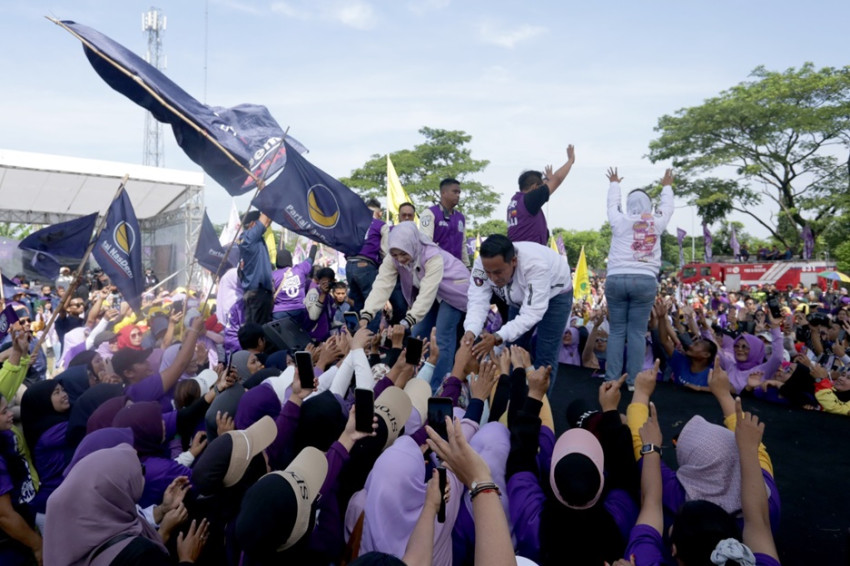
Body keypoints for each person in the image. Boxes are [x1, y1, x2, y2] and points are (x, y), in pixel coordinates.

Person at [359, 222, 469, 389]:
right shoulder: (393, 257)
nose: (400, 259)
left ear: (412, 245)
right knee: (417, 334)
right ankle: (411, 378)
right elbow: (382, 285)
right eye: (395, 255)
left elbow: (426, 294)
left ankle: (438, 388)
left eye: (403, 254)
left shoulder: (432, 255)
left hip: (454, 288)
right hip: (430, 291)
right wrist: (367, 314)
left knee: (441, 337)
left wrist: (407, 321)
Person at [464, 234, 572, 389]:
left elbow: (532, 313)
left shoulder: (535, 265)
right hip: (518, 296)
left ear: (514, 261)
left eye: (498, 272)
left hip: (557, 294)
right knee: (512, 350)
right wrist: (471, 330)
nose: (493, 278)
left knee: (545, 355)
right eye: (488, 272)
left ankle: (538, 408)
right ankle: (511, 399)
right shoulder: (481, 264)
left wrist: (497, 337)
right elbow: (477, 300)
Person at [604, 167, 674, 389]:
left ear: (628, 204)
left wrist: (614, 184)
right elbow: (668, 208)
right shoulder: (657, 222)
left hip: (616, 277)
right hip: (644, 280)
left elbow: (611, 205)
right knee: (636, 332)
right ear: (648, 206)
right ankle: (634, 382)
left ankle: (611, 380)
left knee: (616, 331)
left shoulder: (619, 220)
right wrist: (667, 187)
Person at [507, 145, 575, 245]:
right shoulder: (530, 200)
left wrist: (547, 179)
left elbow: (547, 183)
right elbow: (558, 179)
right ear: (534, 187)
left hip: (516, 251)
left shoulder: (515, 201)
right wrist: (570, 160)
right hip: (530, 252)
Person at [345, 198, 389, 331]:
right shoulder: (381, 225)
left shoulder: (353, 225)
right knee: (373, 306)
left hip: (349, 266)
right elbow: (385, 252)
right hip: (366, 265)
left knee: (358, 306)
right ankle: (369, 342)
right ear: (379, 213)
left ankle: (355, 339)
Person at [419, 178, 468, 264]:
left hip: (457, 268)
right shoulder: (430, 213)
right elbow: (426, 243)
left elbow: (463, 245)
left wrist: (467, 266)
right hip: (437, 267)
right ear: (443, 193)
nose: (458, 195)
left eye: (459, 192)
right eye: (455, 192)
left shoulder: (461, 217)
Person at [237, 210, 274, 325]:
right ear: (253, 224)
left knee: (257, 331)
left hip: (256, 294)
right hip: (258, 294)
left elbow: (268, 219)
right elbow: (265, 218)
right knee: (258, 333)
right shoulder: (250, 237)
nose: (266, 225)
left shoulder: (249, 239)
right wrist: (266, 193)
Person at [271, 247, 316, 324]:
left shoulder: (273, 275)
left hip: (279, 313)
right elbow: (311, 258)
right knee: (298, 335)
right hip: (299, 311)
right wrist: (315, 244)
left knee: (279, 336)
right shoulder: (300, 269)